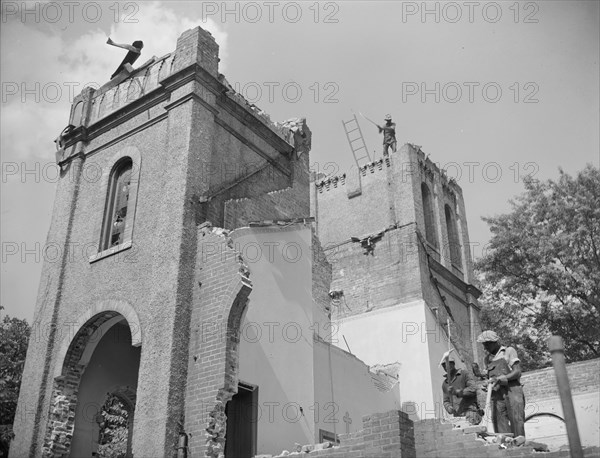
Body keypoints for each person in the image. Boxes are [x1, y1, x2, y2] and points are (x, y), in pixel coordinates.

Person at [475, 330, 526, 439]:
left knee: (517, 421)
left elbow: (517, 372)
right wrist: (486, 384)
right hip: (497, 395)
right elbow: (489, 378)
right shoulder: (487, 359)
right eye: (484, 344)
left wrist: (503, 378)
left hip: (512, 391)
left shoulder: (508, 351)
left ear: (495, 342)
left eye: (487, 344)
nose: (485, 347)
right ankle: (506, 450)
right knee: (499, 425)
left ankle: (521, 448)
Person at [440, 352, 481, 425]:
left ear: (453, 364)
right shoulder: (445, 384)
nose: (445, 367)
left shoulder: (464, 374)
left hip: (470, 411)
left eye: (447, 364)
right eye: (443, 366)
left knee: (470, 432)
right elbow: (446, 401)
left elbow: (473, 388)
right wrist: (449, 407)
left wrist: (458, 392)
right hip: (457, 415)